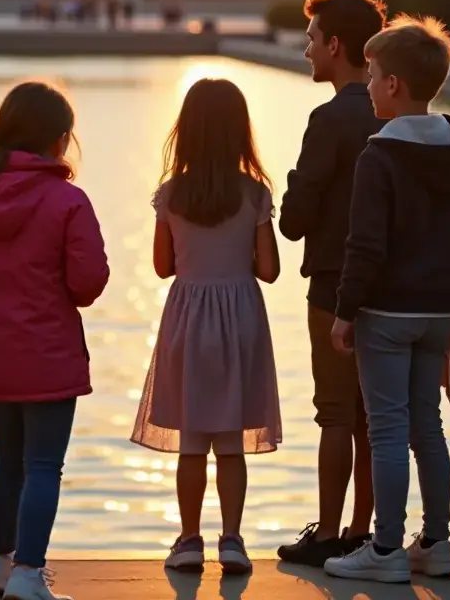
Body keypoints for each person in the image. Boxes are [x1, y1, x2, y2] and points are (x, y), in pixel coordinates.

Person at [0, 82, 109, 600]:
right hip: (48, 353)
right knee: (42, 465)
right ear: (59, 140)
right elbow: (87, 283)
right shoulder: (68, 200)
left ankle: (0, 561)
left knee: (8, 461)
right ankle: (29, 574)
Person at [323, 17, 450, 584]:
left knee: (386, 429)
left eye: (374, 74)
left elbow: (365, 246)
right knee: (426, 427)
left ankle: (385, 549)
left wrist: (344, 312)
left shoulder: (379, 156)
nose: (367, 83)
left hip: (385, 311)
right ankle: (435, 541)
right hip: (439, 308)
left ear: (393, 86)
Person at [131, 78, 282, 577]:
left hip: (189, 320)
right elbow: (269, 269)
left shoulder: (172, 194)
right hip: (240, 318)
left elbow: (161, 266)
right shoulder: (255, 193)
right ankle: (233, 540)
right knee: (232, 442)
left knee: (192, 442)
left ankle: (189, 538)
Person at [277, 0, 386, 566]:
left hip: (334, 281)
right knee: (378, 415)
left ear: (336, 45)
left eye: (313, 39)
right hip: (393, 286)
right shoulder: (394, 107)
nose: (307, 50)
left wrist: (288, 200)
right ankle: (364, 531)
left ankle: (326, 535)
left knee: (336, 414)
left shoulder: (330, 117)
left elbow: (298, 216)